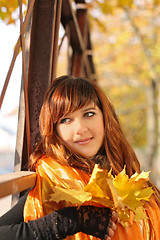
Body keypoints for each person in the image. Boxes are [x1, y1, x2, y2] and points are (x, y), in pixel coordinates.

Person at [0, 75, 160, 240]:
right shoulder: (53, 181)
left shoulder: (127, 173)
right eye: (66, 120)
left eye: (89, 114)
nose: (80, 129)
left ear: (105, 117)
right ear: (54, 130)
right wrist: (68, 221)